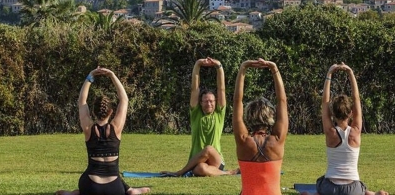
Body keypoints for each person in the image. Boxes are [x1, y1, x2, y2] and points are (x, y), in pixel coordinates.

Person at [56, 67, 150, 195]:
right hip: (115, 188)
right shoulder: (116, 128)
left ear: (93, 111)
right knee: (117, 178)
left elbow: (81, 101)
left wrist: (90, 77)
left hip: (90, 186)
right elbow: (124, 100)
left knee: (83, 188)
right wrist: (112, 75)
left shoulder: (89, 128)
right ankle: (130, 190)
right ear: (111, 112)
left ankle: (75, 193)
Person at [301, 63, 388, 195]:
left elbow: (325, 102)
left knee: (321, 183)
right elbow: (356, 99)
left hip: (330, 188)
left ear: (332, 114)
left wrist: (329, 74)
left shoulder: (330, 132)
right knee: (361, 188)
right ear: (351, 113)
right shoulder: (356, 131)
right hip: (353, 189)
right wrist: (350, 73)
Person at [162, 57, 238, 177]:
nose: (209, 104)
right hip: (197, 162)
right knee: (201, 169)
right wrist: (197, 64)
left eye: (212, 101)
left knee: (208, 149)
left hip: (215, 160)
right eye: (206, 101)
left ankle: (179, 173)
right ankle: (227, 173)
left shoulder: (219, 114)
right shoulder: (196, 114)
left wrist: (219, 66)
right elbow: (194, 89)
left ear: (215, 102)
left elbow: (221, 89)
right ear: (201, 102)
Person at [233, 58, 288, 195]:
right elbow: (282, 101)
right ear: (270, 116)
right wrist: (274, 69)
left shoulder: (243, 140)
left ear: (249, 117)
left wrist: (243, 69)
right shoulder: (277, 140)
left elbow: (237, 101)